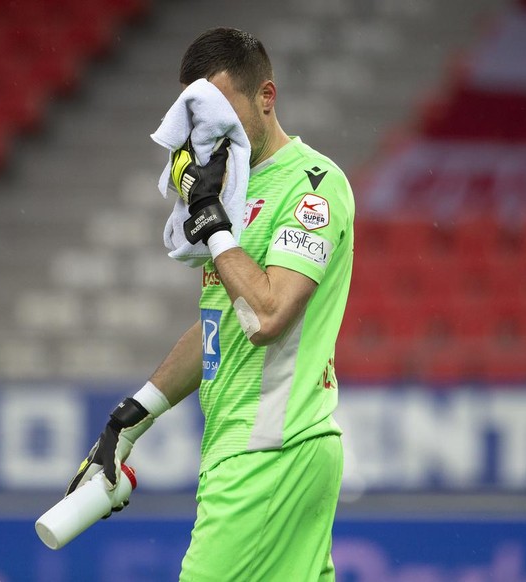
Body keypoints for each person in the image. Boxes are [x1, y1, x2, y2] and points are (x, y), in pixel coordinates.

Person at [66, 27, 354, 581]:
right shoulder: (232, 191)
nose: (208, 127)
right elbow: (226, 323)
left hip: (270, 448)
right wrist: (130, 419)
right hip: (253, 449)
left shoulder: (313, 187)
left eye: (222, 108)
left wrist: (214, 226)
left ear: (266, 98)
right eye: (195, 113)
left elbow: (268, 316)